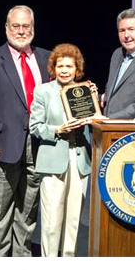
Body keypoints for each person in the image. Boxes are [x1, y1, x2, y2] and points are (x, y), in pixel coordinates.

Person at [0, 5, 50, 257]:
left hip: (39, 145)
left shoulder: (46, 58)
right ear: (6, 28)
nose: (20, 31)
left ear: (33, 28)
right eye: (15, 26)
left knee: (28, 207)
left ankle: (22, 255)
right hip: (1, 144)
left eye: (26, 26)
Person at [29, 43, 98, 257]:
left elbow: (95, 121)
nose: (65, 70)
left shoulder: (84, 91)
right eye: (60, 66)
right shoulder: (43, 91)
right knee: (51, 220)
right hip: (53, 159)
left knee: (73, 218)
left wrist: (95, 101)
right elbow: (35, 126)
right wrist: (57, 129)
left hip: (79, 159)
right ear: (53, 68)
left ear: (77, 69)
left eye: (69, 66)